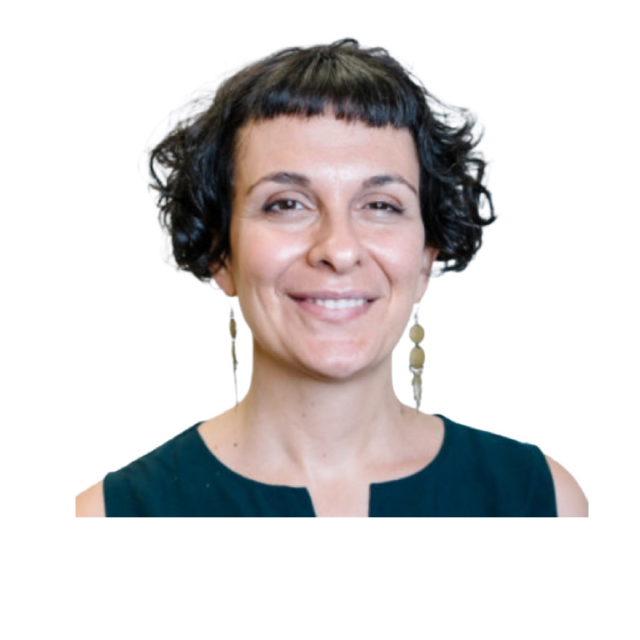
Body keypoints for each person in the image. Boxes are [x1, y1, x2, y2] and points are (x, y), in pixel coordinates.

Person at [75, 39, 588, 518]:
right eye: (286, 204)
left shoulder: (543, 498)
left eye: (381, 205)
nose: (339, 250)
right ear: (220, 253)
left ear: (426, 257)